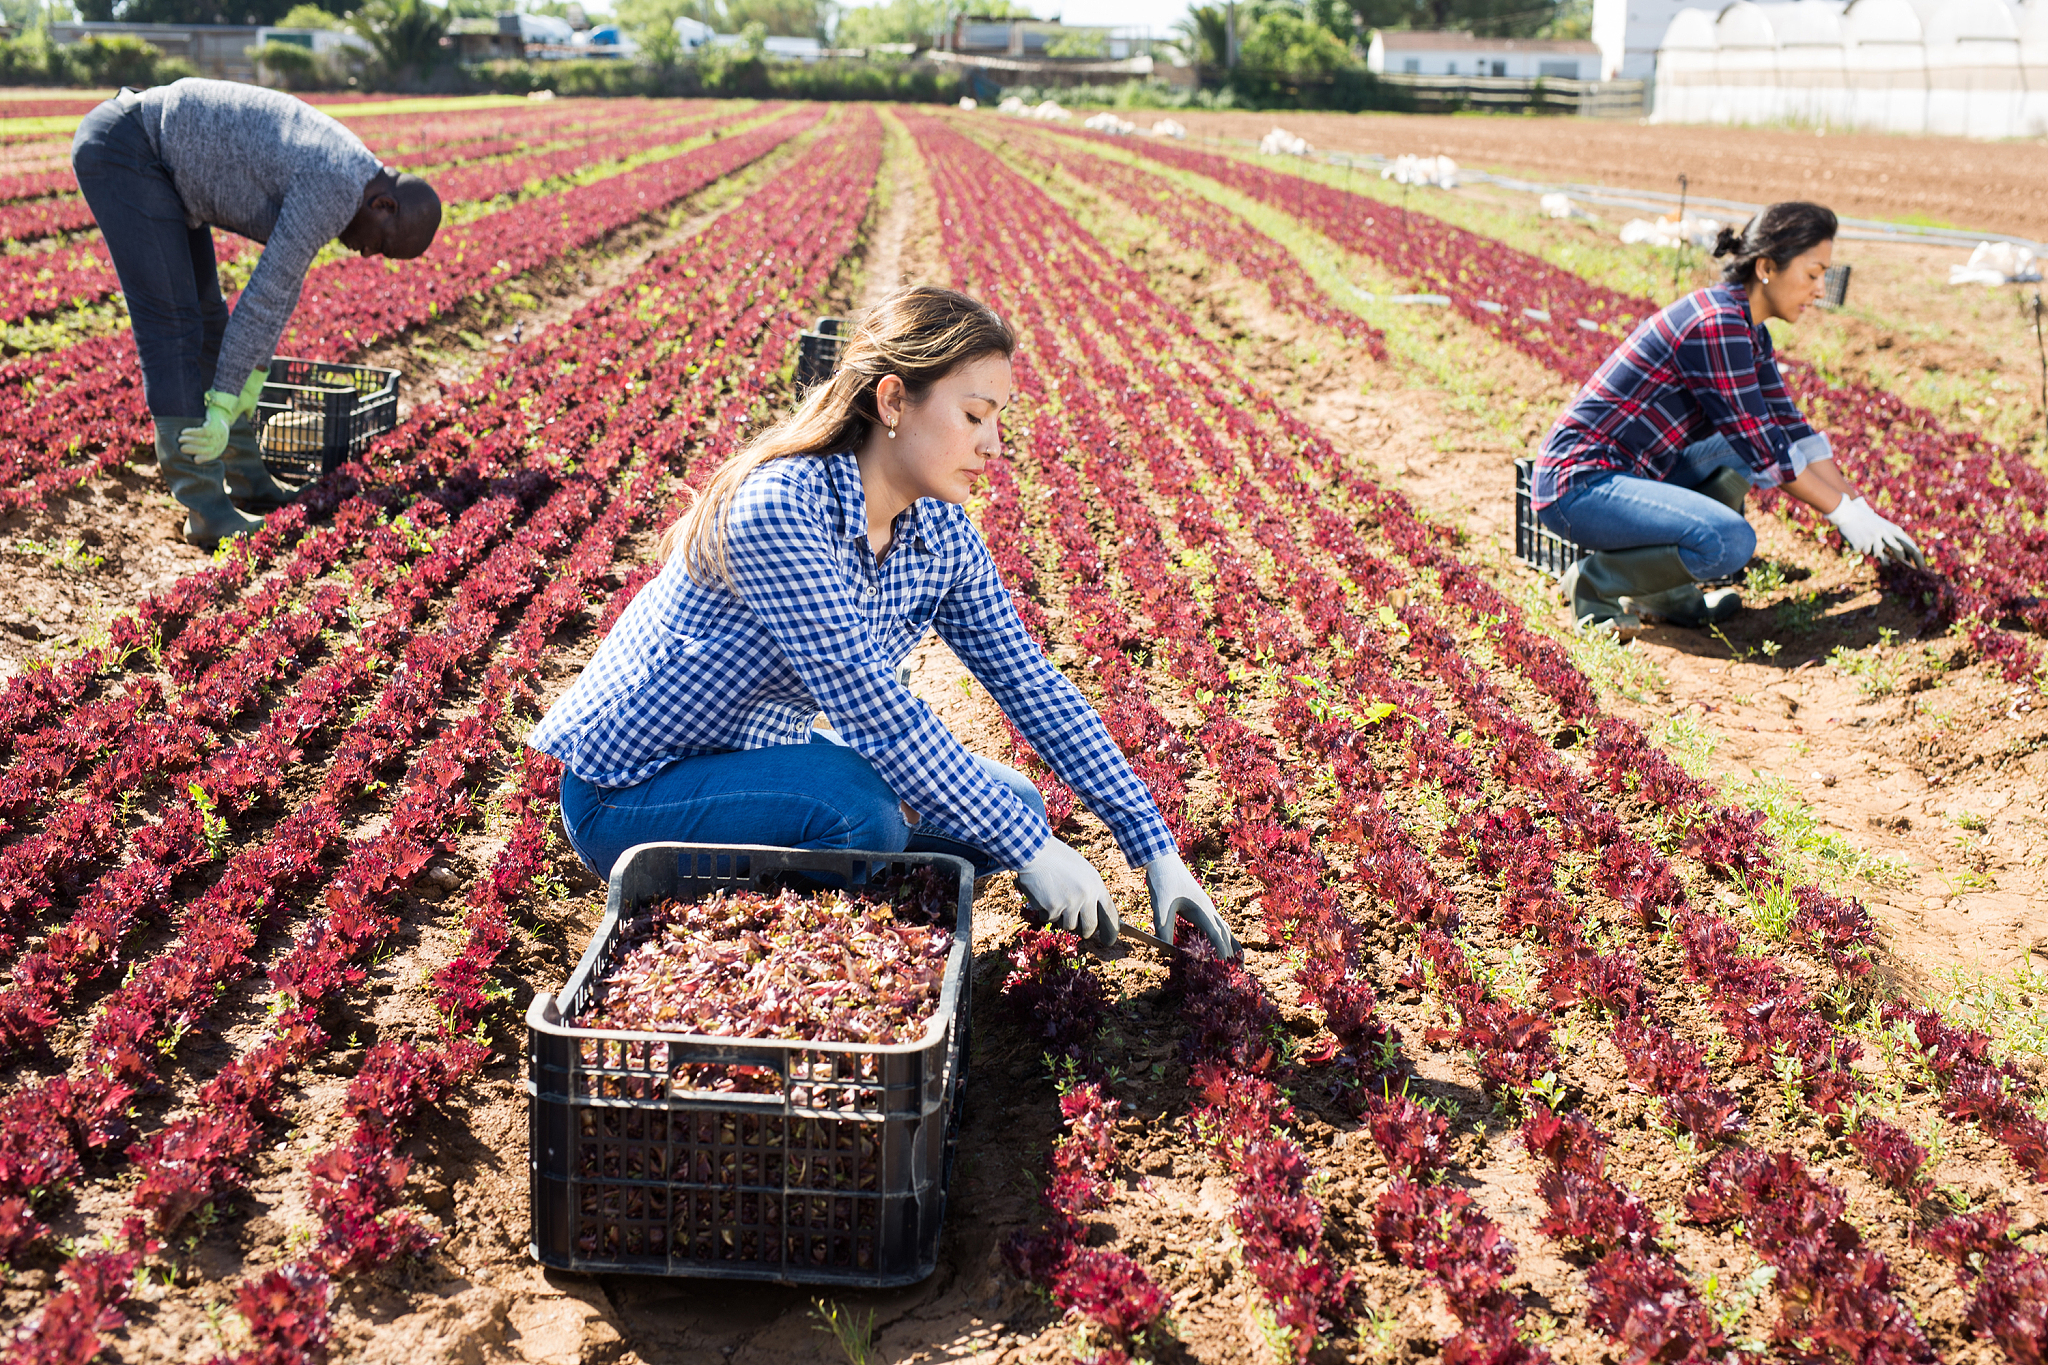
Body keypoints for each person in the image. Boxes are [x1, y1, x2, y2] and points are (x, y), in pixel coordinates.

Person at [528, 286, 1238, 959]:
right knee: (860, 813)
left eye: (999, 421)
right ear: (894, 401)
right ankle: (793, 932)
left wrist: (1155, 850)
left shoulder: (941, 535)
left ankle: (841, 871)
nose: (994, 446)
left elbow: (1032, 685)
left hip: (752, 755)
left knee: (1012, 804)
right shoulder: (781, 509)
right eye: (974, 415)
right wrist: (1034, 852)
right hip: (631, 790)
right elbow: (874, 711)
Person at [71, 79, 442, 548]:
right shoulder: (337, 183)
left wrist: (252, 375)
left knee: (208, 318)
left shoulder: (351, 181)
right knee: (172, 325)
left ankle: (248, 479)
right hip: (129, 150)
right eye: (381, 245)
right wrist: (223, 400)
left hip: (166, 169)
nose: (368, 253)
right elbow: (266, 292)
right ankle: (206, 509)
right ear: (383, 205)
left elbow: (284, 281)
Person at [1532, 200, 1923, 636]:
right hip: (1580, 485)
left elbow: (1791, 431)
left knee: (1735, 458)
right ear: (1767, 268)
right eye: (1813, 274)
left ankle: (1662, 592)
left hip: (1633, 474)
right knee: (1728, 541)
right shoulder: (1716, 325)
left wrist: (1861, 508)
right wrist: (1843, 516)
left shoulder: (1749, 328)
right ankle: (1595, 581)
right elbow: (1767, 454)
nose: (1819, 289)